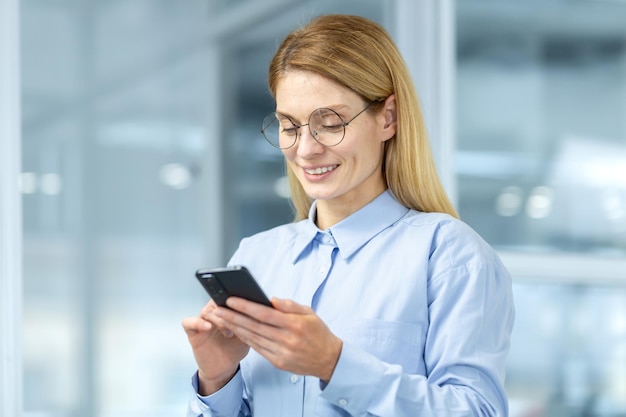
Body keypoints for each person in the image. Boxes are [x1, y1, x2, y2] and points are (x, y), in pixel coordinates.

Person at [182, 13, 515, 417]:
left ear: (387, 118)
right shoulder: (257, 256)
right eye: (290, 126)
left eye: (330, 123)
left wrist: (333, 364)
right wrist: (217, 378)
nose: (305, 150)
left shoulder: (448, 255)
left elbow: (477, 410)